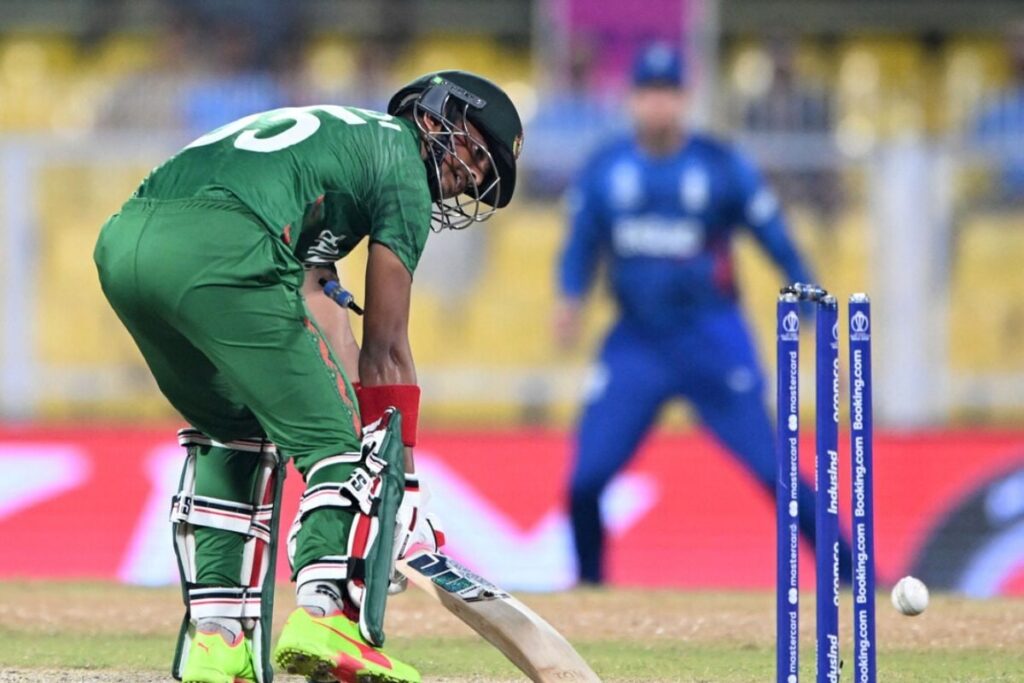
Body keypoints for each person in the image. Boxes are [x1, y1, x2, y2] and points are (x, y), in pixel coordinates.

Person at [94, 71, 523, 683]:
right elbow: (387, 349)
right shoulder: (401, 160)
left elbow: (330, 328)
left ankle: (217, 644)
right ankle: (326, 617)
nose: (474, 176)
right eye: (476, 153)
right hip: (225, 245)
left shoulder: (341, 144)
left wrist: (388, 482)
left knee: (235, 428)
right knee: (340, 446)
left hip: (127, 245)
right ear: (434, 119)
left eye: (484, 172)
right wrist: (399, 482)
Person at [554, 42, 850, 585]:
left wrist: (810, 302)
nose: (658, 106)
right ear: (632, 99)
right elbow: (580, 245)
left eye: (669, 94)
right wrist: (569, 298)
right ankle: (590, 594)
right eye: (648, 93)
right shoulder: (606, 168)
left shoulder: (719, 164)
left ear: (684, 100)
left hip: (711, 337)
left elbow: (775, 238)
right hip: (637, 343)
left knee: (776, 473)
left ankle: (855, 579)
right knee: (584, 482)